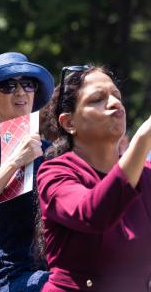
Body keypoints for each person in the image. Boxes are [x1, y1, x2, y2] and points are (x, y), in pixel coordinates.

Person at [37, 65, 151, 292]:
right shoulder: (54, 173)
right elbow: (92, 214)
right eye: (98, 99)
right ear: (69, 123)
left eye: (117, 96)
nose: (115, 103)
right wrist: (143, 138)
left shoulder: (146, 173)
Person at [0, 52, 54, 292]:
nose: (20, 91)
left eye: (28, 83)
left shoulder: (53, 150)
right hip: (17, 274)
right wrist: (15, 160)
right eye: (7, 85)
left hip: (60, 267)